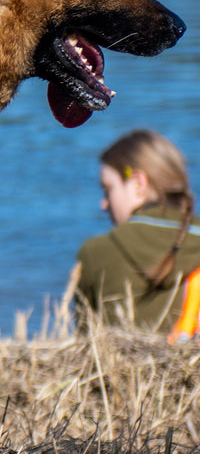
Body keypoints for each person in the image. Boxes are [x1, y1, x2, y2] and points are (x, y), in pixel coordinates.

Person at [70, 130, 200, 335]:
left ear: (139, 184)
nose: (104, 204)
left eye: (108, 189)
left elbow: (85, 343)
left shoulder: (96, 252)